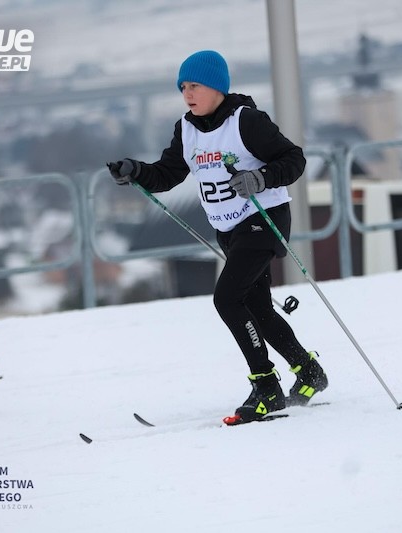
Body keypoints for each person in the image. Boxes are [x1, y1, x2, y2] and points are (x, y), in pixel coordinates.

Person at [107, 50, 328, 423]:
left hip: (263, 220)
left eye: (195, 85)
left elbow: (294, 159)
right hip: (228, 229)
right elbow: (168, 174)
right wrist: (136, 171)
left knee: (227, 298)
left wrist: (260, 178)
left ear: (217, 87)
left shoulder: (247, 122)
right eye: (182, 87)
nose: (187, 94)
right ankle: (309, 371)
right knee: (257, 308)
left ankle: (266, 386)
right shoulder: (187, 129)